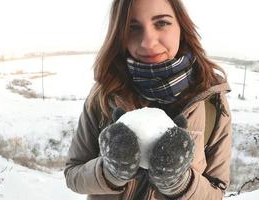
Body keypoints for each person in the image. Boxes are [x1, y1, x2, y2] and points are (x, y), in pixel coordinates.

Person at [64, 0, 232, 199]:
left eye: (161, 23)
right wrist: (111, 173)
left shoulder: (211, 103)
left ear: (181, 26)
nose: (148, 42)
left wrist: (180, 183)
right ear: (120, 35)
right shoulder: (104, 96)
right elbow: (73, 174)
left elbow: (217, 190)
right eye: (132, 28)